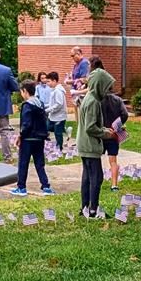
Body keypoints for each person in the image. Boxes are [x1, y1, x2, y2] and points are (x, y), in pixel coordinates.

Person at [75, 60, 125, 218]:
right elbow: (91, 127)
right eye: (105, 85)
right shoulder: (93, 102)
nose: (107, 89)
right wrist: (106, 133)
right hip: (90, 145)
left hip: (84, 144)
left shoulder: (89, 98)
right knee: (96, 177)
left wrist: (104, 129)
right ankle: (93, 210)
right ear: (99, 85)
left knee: (88, 176)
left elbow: (91, 125)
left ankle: (85, 207)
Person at [12, 80, 54, 197]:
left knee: (23, 163)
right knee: (39, 163)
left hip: (28, 139)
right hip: (39, 139)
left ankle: (21, 187)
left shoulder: (27, 105)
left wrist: (20, 135)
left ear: (25, 91)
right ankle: (46, 186)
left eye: (21, 91)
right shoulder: (39, 103)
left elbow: (26, 123)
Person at [35, 70, 68, 151]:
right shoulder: (53, 90)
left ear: (54, 81)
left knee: (58, 133)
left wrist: (47, 110)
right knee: (46, 128)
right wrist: (44, 107)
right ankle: (64, 129)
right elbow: (51, 103)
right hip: (53, 116)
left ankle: (59, 148)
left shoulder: (58, 91)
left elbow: (58, 104)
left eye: (49, 81)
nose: (47, 83)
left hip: (59, 116)